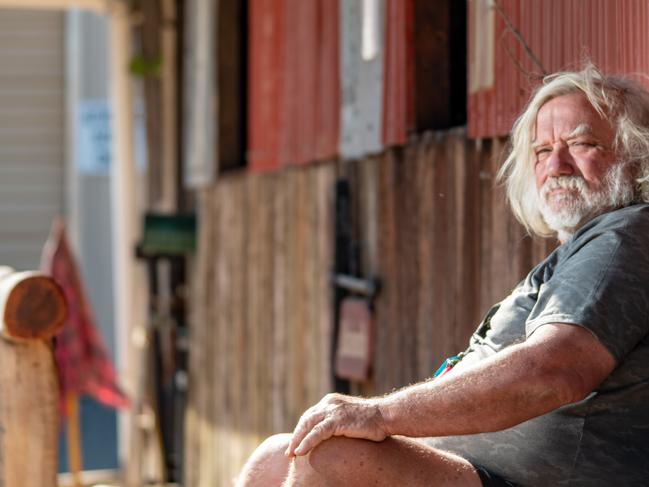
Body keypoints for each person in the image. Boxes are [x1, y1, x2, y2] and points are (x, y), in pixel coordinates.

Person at [235, 66, 649, 486]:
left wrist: (380, 414)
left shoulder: (624, 236)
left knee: (333, 457)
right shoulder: (584, 248)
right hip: (482, 471)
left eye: (580, 144)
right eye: (542, 151)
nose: (556, 165)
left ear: (635, 155)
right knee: (275, 456)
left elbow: (555, 369)